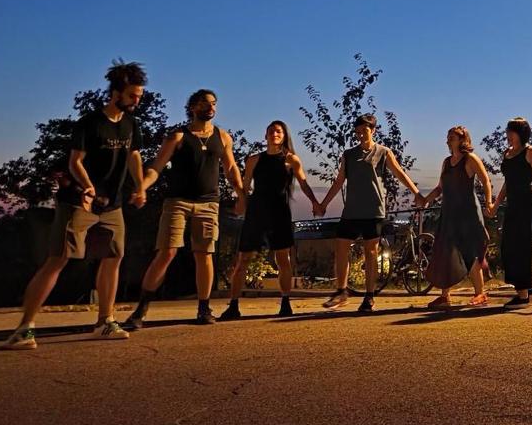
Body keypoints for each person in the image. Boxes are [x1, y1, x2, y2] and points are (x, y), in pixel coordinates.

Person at [4, 61, 149, 350]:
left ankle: (105, 322)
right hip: (79, 202)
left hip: (113, 204)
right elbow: (75, 162)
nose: (137, 101)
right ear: (116, 93)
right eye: (133, 95)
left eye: (140, 96)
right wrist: (88, 186)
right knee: (58, 259)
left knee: (113, 258)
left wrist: (141, 185)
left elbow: (133, 156)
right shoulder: (90, 122)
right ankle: (24, 328)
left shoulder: (132, 124)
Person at [124, 89, 242, 329]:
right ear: (192, 107)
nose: (210, 107)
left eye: (214, 103)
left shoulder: (223, 137)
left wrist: (242, 195)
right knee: (167, 252)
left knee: (204, 254)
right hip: (177, 202)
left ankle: (203, 308)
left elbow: (230, 169)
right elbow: (156, 166)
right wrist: (142, 187)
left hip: (209, 203)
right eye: (204, 103)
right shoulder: (178, 136)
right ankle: (140, 310)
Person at [316, 113, 422, 313]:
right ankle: (341, 291)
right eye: (357, 132)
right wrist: (323, 203)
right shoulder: (348, 154)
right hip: (352, 210)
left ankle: (369, 296)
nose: (361, 135)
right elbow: (339, 181)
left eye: (364, 131)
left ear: (372, 130)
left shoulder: (383, 152)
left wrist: (416, 192)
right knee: (341, 247)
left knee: (370, 252)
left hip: (373, 210)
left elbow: (399, 172)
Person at [219, 121, 323, 321]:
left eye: (279, 131)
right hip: (257, 213)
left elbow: (303, 183)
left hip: (279, 213)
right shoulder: (254, 160)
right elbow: (245, 185)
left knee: (283, 258)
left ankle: (285, 302)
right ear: (265, 135)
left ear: (283, 136)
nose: (275, 133)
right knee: (243, 259)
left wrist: (316, 203)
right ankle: (233, 305)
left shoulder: (291, 160)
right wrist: (241, 201)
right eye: (271, 131)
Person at [422, 126, 492, 310]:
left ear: (462, 140)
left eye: (451, 138)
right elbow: (440, 188)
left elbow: (485, 180)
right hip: (449, 213)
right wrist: (425, 200)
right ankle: (445, 296)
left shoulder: (470, 160)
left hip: (468, 213)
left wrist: (489, 202)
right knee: (444, 251)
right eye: (447, 137)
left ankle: (480, 293)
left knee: (470, 252)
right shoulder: (446, 162)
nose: (448, 141)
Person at [485, 117, 532, 308]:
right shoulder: (507, 154)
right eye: (507, 132)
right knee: (507, 246)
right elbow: (507, 182)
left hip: (527, 202)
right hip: (512, 203)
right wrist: (496, 204)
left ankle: (523, 295)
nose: (508, 136)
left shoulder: (530, 152)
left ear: (520, 133)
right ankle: (524, 287)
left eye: (511, 132)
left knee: (522, 246)